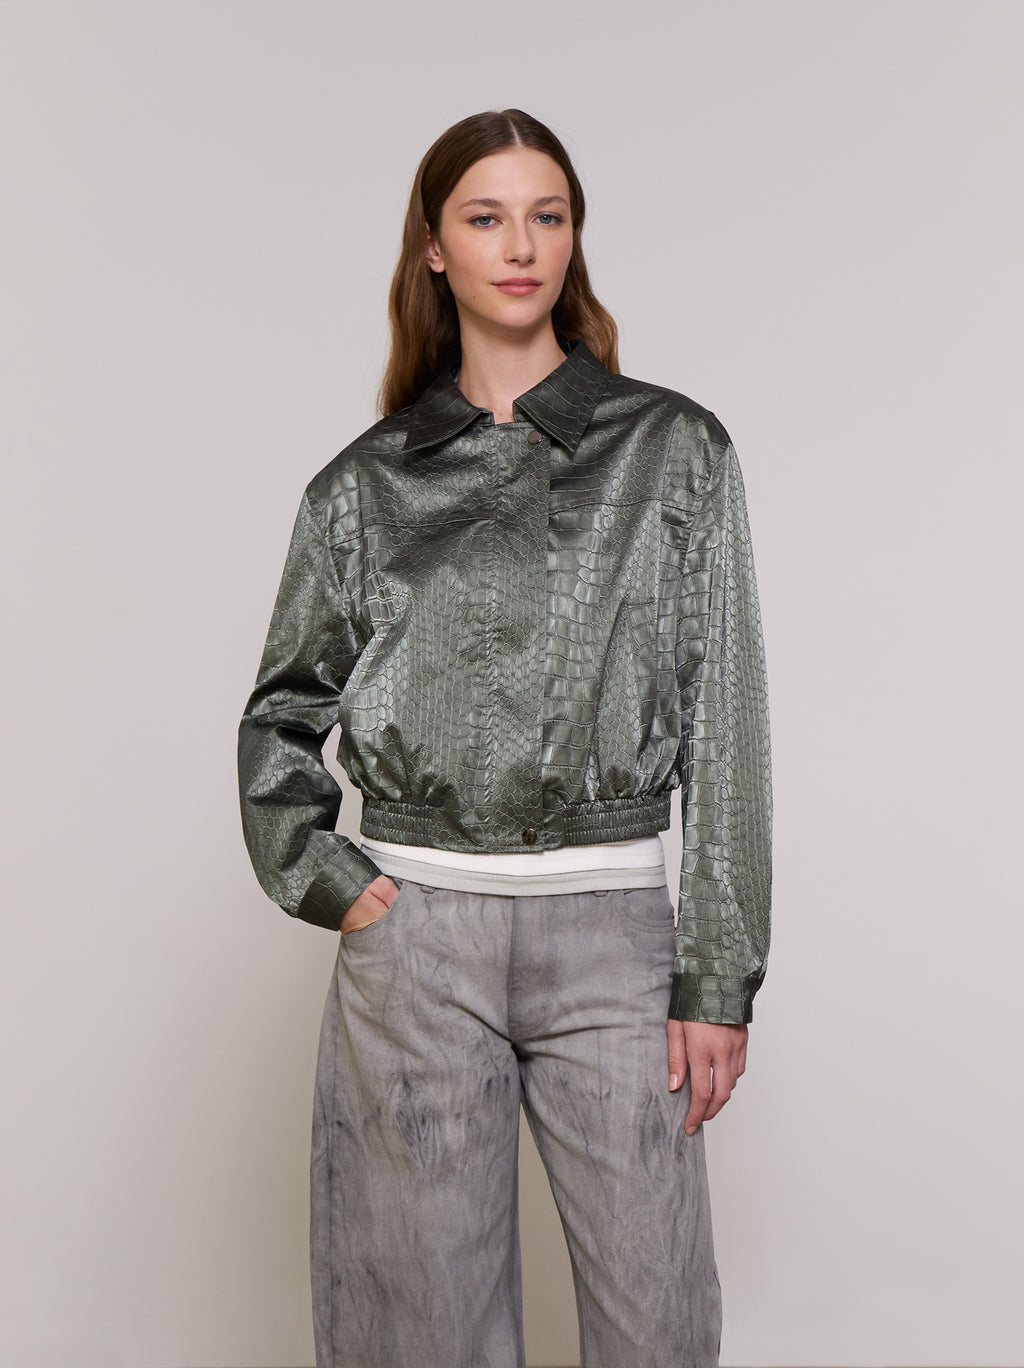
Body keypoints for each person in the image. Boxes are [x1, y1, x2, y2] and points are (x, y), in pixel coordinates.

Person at [237, 108, 772, 1368]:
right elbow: (281, 717)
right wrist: (338, 885)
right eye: (486, 217)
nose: (520, 246)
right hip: (415, 948)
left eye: (547, 216)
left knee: (657, 1324)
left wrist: (716, 977)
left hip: (614, 941)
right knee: (417, 1332)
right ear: (435, 247)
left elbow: (727, 721)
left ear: (573, 238)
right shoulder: (364, 486)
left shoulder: (674, 451)